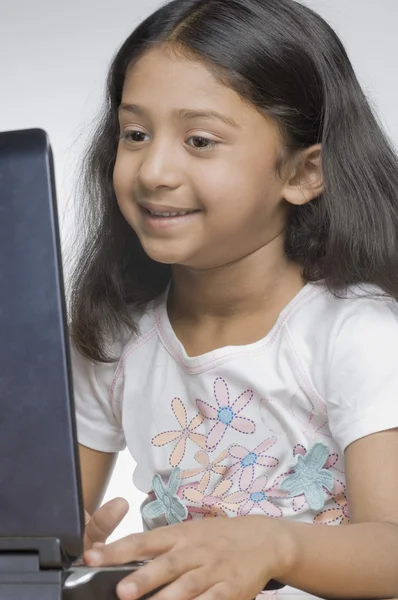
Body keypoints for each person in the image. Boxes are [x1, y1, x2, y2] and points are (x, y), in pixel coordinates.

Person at [69, 0, 398, 598]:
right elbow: (51, 533)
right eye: (136, 134)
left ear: (302, 174)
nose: (154, 171)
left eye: (199, 140)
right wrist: (69, 550)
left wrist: (275, 544)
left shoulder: (356, 333)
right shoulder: (113, 335)